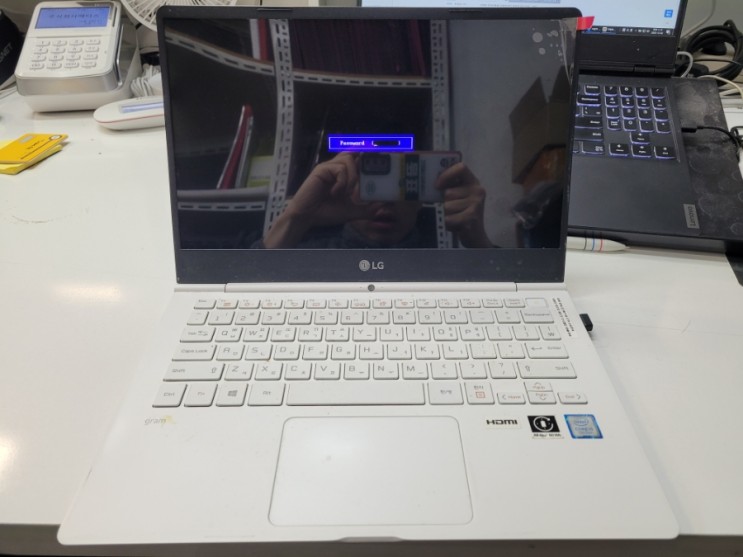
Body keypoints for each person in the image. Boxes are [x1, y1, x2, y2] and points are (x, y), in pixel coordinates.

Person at [259, 151, 492, 249]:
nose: (385, 199)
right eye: (373, 183)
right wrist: (296, 217)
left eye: (399, 183)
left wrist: (479, 244)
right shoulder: (304, 258)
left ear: (422, 198)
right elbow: (246, 297)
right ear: (345, 186)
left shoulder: (449, 266)